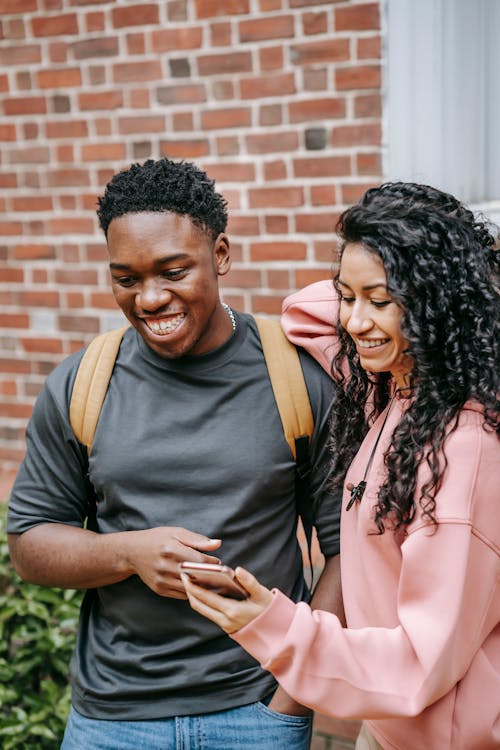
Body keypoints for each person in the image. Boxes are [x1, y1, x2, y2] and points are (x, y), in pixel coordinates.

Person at [7, 158, 343, 750]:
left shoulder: (297, 377)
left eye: (173, 271)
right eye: (126, 279)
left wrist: (293, 691)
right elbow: (32, 544)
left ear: (222, 254)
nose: (150, 299)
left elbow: (349, 549)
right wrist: (129, 553)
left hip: (257, 708)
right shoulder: (82, 383)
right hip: (112, 718)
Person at [182, 181, 500, 750]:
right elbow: (304, 313)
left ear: (436, 303)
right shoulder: (394, 385)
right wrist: (373, 279)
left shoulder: (464, 450)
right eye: (347, 297)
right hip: (388, 722)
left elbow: (418, 663)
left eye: (379, 300)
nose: (354, 322)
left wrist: (272, 624)